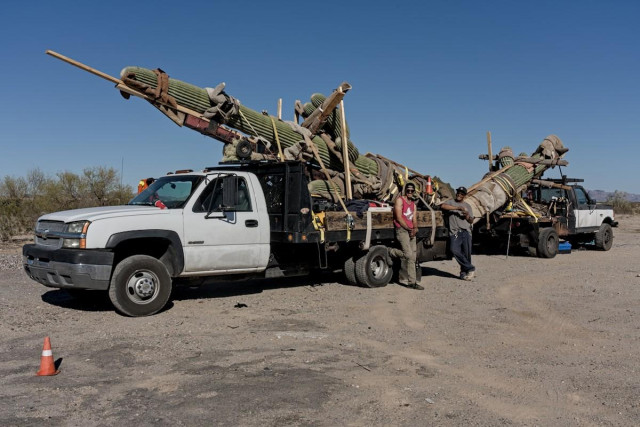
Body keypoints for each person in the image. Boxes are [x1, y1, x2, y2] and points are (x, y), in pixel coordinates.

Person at [389, 183, 424, 290]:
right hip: (402, 230)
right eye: (408, 190)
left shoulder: (413, 204)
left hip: (410, 230)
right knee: (408, 255)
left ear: (414, 192)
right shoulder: (400, 200)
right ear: (405, 191)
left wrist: (415, 228)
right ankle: (391, 251)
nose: (410, 192)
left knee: (413, 257)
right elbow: (399, 217)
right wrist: (409, 229)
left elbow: (414, 218)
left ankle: (412, 282)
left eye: (412, 191)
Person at [441, 186, 476, 280]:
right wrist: (457, 208)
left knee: (467, 254)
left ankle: (464, 273)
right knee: (454, 250)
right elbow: (443, 206)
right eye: (458, 193)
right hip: (455, 232)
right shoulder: (451, 202)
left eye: (462, 194)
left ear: (464, 195)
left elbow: (471, 221)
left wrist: (467, 216)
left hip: (466, 231)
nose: (459, 195)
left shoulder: (468, 206)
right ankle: (470, 268)